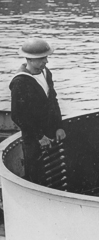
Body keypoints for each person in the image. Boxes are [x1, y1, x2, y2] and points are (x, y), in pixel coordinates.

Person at [10, 38, 66, 185]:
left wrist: (59, 126)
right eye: (42, 58)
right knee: (37, 174)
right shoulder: (20, 82)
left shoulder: (46, 73)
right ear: (30, 59)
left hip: (51, 132)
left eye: (46, 57)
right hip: (34, 139)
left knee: (55, 173)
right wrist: (40, 136)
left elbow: (53, 100)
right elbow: (18, 115)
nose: (46, 61)